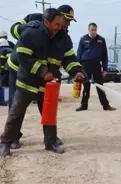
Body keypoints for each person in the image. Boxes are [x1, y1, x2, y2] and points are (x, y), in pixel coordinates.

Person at [0, 8, 84, 157]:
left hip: (47, 84)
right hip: (27, 81)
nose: (63, 27)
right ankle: (5, 143)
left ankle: (50, 142)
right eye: (59, 23)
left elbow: (69, 58)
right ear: (47, 22)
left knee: (48, 113)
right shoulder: (32, 32)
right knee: (16, 112)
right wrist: (43, 72)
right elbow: (23, 57)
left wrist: (76, 71)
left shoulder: (64, 38)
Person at [76, 23, 116, 112]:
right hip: (85, 65)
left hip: (97, 65)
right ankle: (84, 105)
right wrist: (78, 69)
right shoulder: (83, 39)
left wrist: (105, 69)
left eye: (95, 30)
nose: (94, 32)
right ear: (88, 30)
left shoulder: (101, 40)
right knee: (86, 86)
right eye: (92, 30)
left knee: (100, 86)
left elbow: (105, 55)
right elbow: (79, 54)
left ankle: (106, 106)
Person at [0, 39, 13, 106]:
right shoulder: (10, 49)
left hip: (5, 70)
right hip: (12, 69)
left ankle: (2, 100)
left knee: (2, 85)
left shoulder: (2, 50)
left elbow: (2, 62)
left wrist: (2, 70)